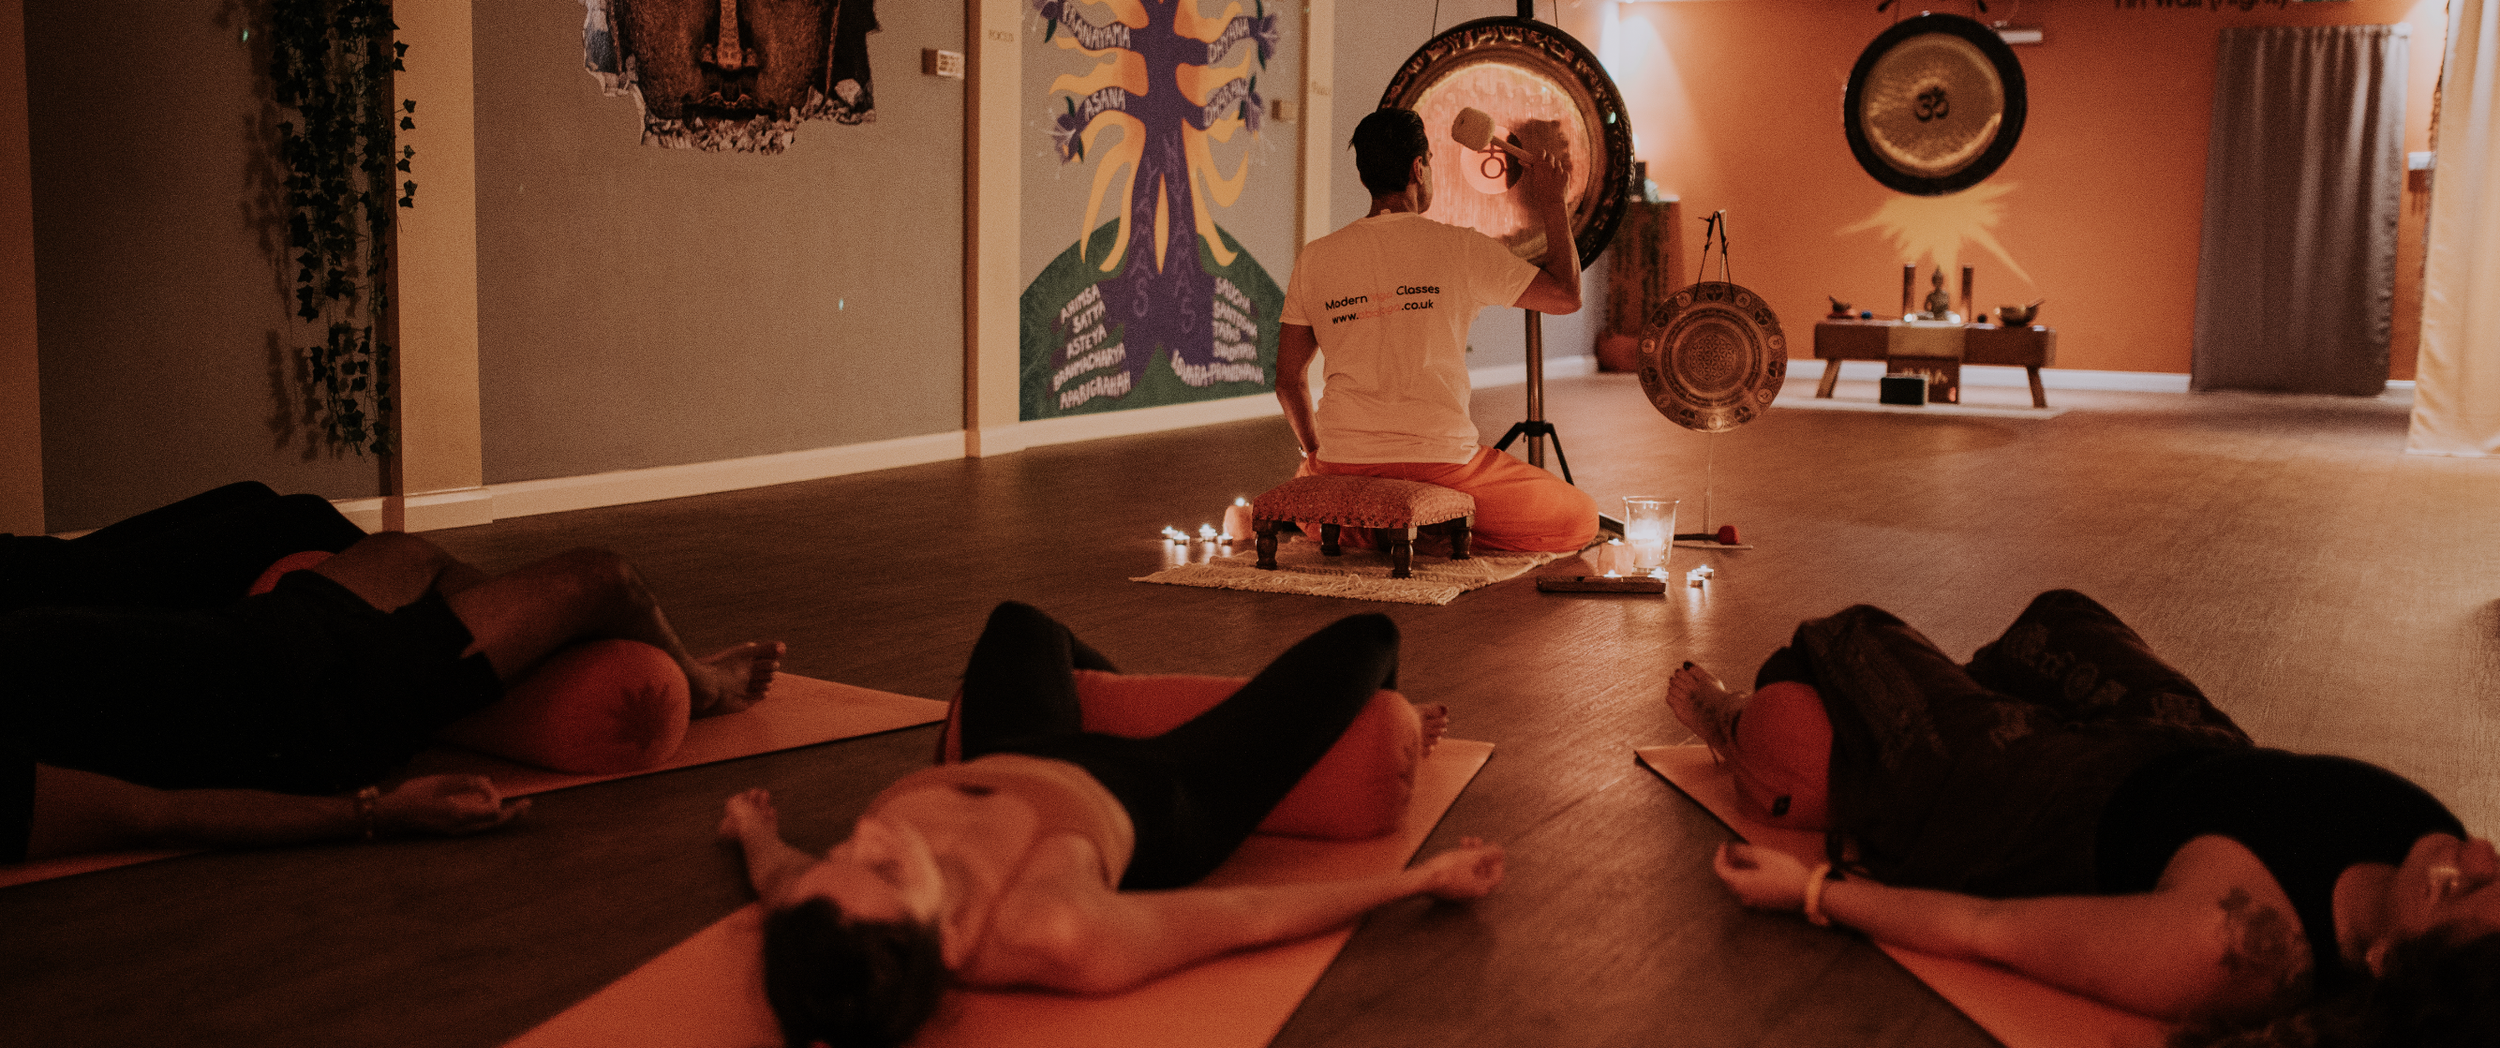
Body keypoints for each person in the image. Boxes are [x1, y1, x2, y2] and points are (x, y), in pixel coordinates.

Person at [1668, 589, 2500, 1045]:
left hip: (2028, 799)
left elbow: (1984, 929)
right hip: (2177, 745)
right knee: (2061, 616)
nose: (2479, 851)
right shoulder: (2429, 841)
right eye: (2497, 871)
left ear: (2391, 962)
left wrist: (1813, 891)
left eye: (2460, 891)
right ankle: (1933, 713)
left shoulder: (2230, 950)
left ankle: (1745, 724)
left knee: (1839, 650)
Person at [719, 602, 1505, 1048]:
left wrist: (751, 831)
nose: (871, 837)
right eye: (885, 870)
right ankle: (1379, 724)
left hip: (1014, 747)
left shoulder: (824, 907)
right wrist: (1422, 880)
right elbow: (1248, 914)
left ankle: (1122, 694)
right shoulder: (1054, 930)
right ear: (948, 942)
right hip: (1162, 788)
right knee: (1370, 638)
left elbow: (781, 879)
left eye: (847, 849)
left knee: (1021, 622)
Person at [4, 526, 785, 863]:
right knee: (605, 577)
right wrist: (378, 812)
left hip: (260, 631)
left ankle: (519, 655)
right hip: (312, 711)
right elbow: (149, 812)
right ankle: (698, 680)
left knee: (411, 553)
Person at [1273, 107, 1599, 553]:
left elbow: (1288, 379)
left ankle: (1381, 523)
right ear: (1417, 168)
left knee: (1313, 501)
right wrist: (1551, 201)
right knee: (1579, 518)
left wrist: (1317, 457)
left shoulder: (1315, 257)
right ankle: (1438, 522)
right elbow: (1566, 295)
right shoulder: (1460, 247)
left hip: (1345, 463)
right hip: (1444, 464)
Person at [1, 480, 368, 613]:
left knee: (253, 495)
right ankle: (419, 631)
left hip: (17, 563)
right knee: (302, 518)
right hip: (18, 588)